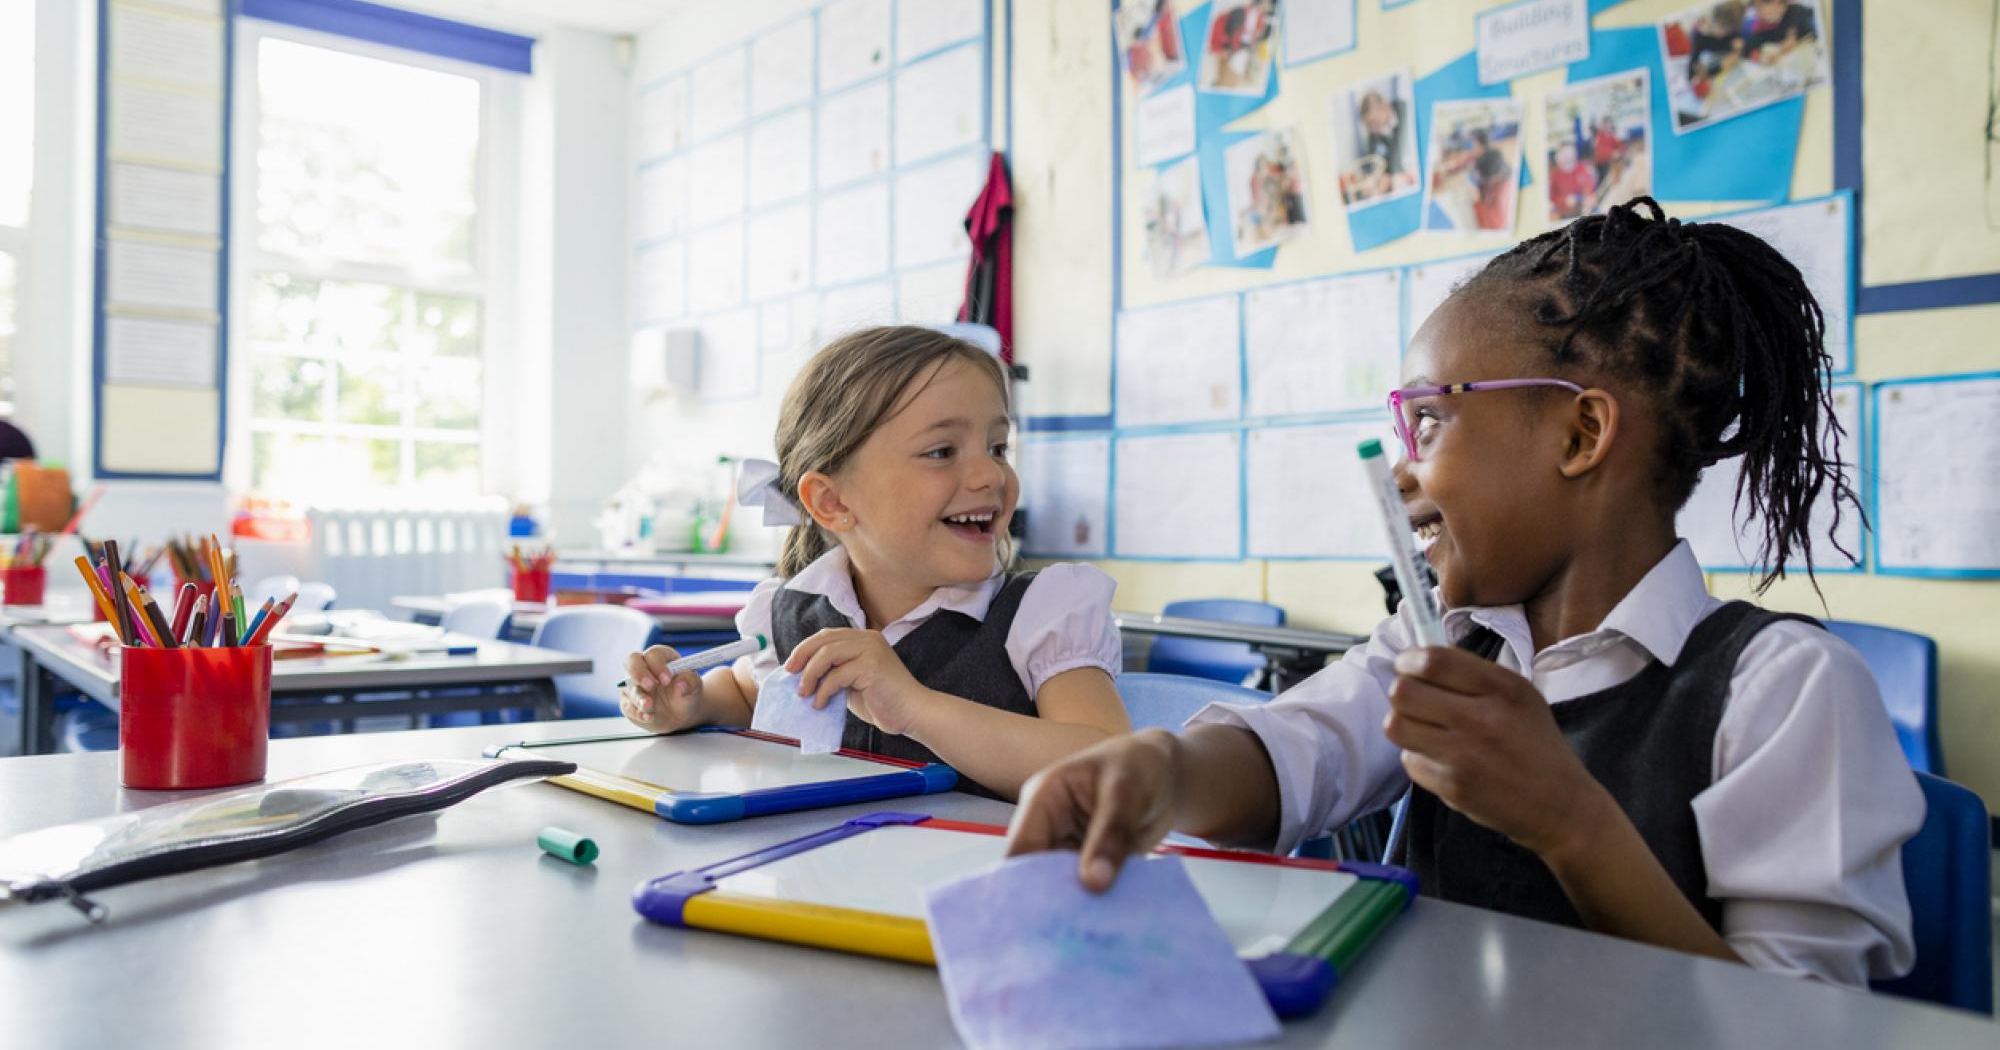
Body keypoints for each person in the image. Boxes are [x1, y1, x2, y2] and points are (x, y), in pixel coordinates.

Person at [1006, 198, 1921, 988]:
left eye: (1431, 421)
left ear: (1580, 434)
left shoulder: (1783, 691)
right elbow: (1299, 752)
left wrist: (1568, 822)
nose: (1404, 472)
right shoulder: (1441, 640)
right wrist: (1163, 773)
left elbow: (1802, 1022)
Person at [621, 326, 1131, 800]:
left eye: (998, 447)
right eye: (941, 451)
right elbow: (745, 690)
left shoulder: (1044, 615)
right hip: (831, 881)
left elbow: (1115, 770)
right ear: (832, 502)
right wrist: (692, 702)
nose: (990, 475)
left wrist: (915, 708)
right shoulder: (797, 610)